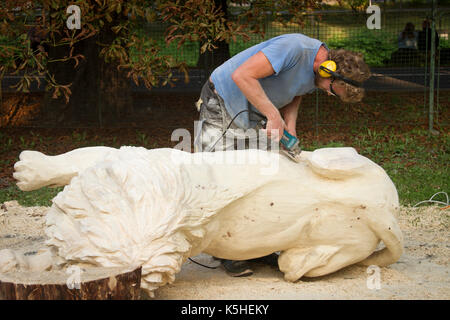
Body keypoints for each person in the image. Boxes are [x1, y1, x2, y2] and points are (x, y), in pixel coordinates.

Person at [194, 33, 371, 277]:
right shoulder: (293, 49)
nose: (329, 94)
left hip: (257, 106)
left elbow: (296, 90)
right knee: (221, 175)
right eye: (333, 91)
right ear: (328, 71)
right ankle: (225, 250)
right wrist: (274, 115)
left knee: (260, 179)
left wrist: (290, 124)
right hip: (223, 99)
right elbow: (242, 75)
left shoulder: (319, 68)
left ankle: (254, 246)